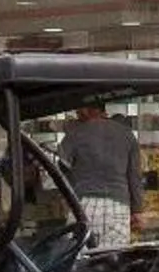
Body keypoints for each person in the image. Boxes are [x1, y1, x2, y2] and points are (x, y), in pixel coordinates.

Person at [59, 102, 142, 250]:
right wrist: (137, 211)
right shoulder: (127, 134)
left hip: (83, 205)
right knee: (112, 263)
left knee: (78, 264)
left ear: (86, 110)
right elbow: (134, 176)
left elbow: (61, 168)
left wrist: (66, 198)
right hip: (118, 208)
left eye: (78, 112)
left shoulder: (76, 133)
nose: (77, 116)